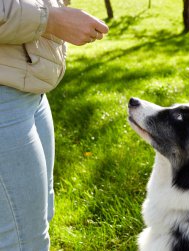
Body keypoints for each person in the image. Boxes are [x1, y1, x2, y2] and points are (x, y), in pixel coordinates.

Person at [0, 0, 108, 250]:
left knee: (39, 216)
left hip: (32, 89)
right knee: (22, 240)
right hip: (5, 97)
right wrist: (51, 20)